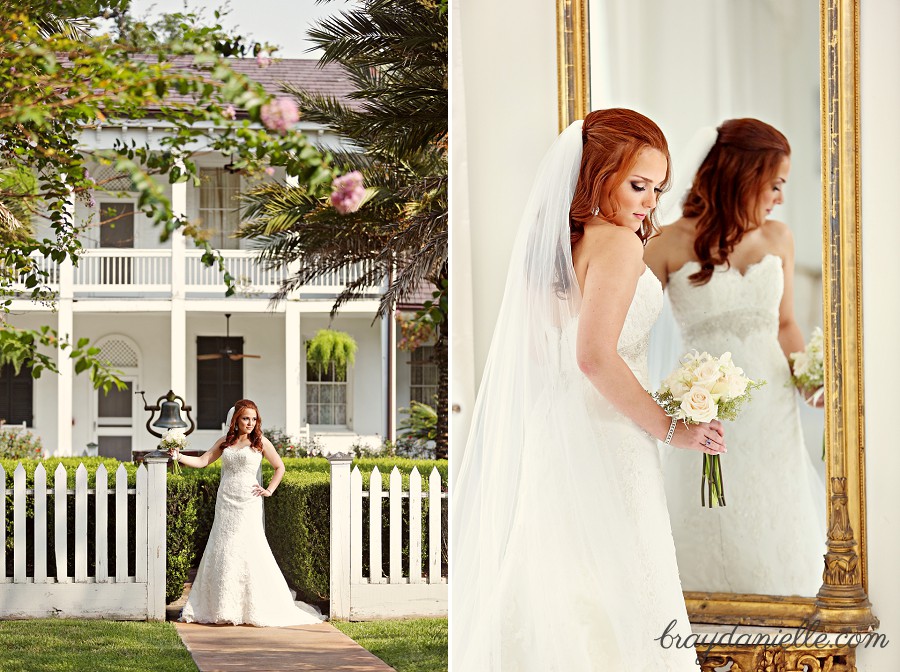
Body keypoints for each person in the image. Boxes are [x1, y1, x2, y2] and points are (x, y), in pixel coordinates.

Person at [451, 109, 723, 670]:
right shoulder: (619, 245)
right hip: (607, 437)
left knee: (558, 582)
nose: (649, 201)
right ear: (598, 175)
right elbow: (594, 357)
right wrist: (674, 429)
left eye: (657, 188)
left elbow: (543, 355)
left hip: (557, 434)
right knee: (623, 588)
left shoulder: (553, 248)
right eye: (638, 185)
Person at [644, 118, 825, 596]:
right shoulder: (666, 243)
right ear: (744, 176)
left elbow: (785, 324)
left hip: (773, 410)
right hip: (706, 405)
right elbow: (630, 327)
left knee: (774, 507)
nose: (780, 198)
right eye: (776, 184)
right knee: (710, 512)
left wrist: (808, 378)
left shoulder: (778, 238)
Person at [168, 399, 323, 626]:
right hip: (226, 502)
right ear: (236, 420)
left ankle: (251, 606)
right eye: (245, 418)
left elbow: (280, 467)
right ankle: (221, 606)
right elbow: (203, 461)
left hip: (248, 502)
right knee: (223, 546)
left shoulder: (260, 442)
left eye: (253, 419)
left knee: (248, 547)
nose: (250, 423)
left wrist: (269, 489)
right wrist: (178, 456)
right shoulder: (225, 441)